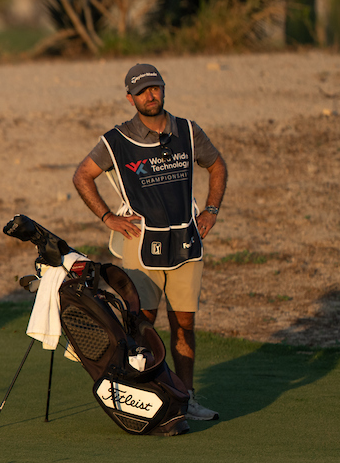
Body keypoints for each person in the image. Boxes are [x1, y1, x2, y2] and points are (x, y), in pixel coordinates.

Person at [72, 63, 228, 421]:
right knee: (142, 323)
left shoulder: (187, 131)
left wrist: (211, 210)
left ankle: (186, 399)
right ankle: (148, 398)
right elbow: (82, 175)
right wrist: (107, 216)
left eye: (155, 88)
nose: (150, 95)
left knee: (184, 323)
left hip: (186, 242)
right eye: (142, 91)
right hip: (141, 244)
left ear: (163, 89)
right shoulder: (116, 140)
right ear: (130, 98)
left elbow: (216, 165)